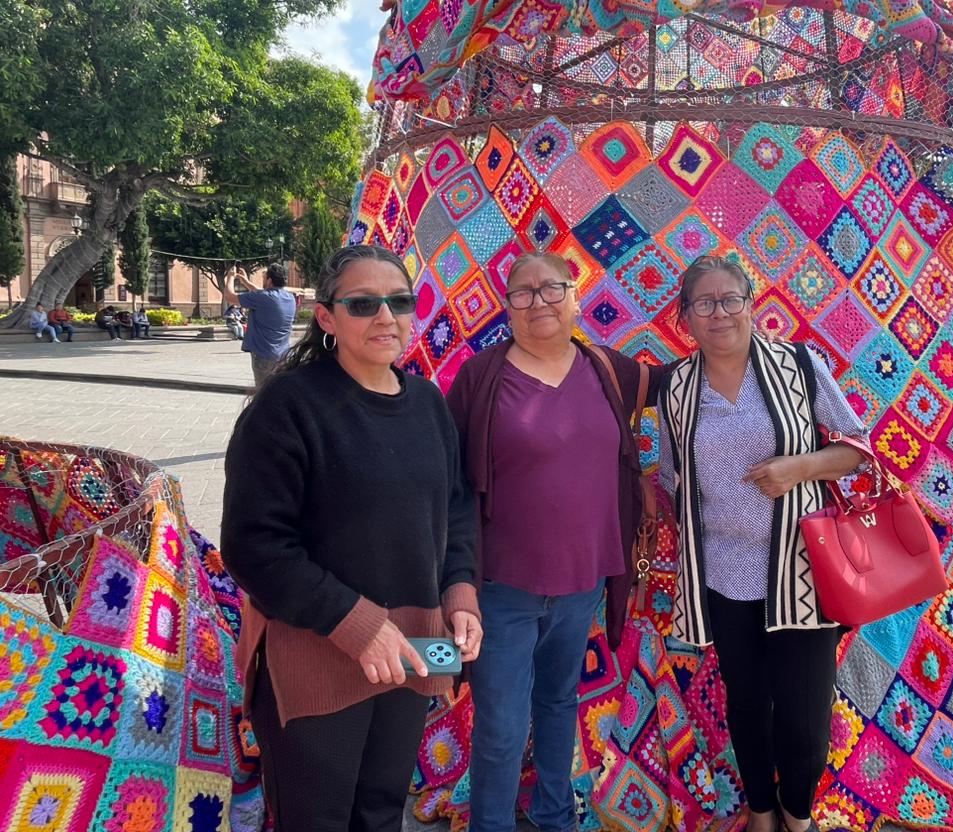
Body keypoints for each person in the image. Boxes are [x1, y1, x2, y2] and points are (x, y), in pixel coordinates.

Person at [220, 244, 482, 832]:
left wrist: (460, 593)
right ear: (326, 317)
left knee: (383, 808)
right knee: (317, 818)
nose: (386, 316)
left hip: (415, 648)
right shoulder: (287, 407)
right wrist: (358, 625)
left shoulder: (428, 403)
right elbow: (254, 545)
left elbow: (456, 509)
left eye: (399, 301)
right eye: (363, 304)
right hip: (316, 655)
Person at [657, 254, 869, 832]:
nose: (719, 313)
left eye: (731, 299)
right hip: (725, 576)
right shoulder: (676, 387)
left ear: (752, 305)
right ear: (686, 317)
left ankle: (797, 816)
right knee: (747, 704)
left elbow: (857, 448)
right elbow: (673, 477)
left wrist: (800, 467)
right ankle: (761, 812)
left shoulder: (798, 365)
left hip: (801, 571)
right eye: (704, 303)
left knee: (804, 717)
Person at [445, 250, 654, 832]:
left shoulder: (606, 368)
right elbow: (446, 475)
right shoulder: (481, 377)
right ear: (507, 306)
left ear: (576, 297)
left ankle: (554, 815)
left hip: (584, 582)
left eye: (552, 288)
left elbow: (682, 384)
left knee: (560, 703)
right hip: (500, 590)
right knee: (502, 725)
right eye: (523, 291)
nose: (539, 300)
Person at [221, 262, 297, 387]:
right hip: (283, 355)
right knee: (279, 391)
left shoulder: (264, 298)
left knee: (263, 392)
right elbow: (261, 293)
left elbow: (229, 296)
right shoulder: (289, 298)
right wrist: (245, 281)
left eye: (264, 277)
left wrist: (230, 277)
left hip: (264, 355)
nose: (263, 279)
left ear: (269, 280)